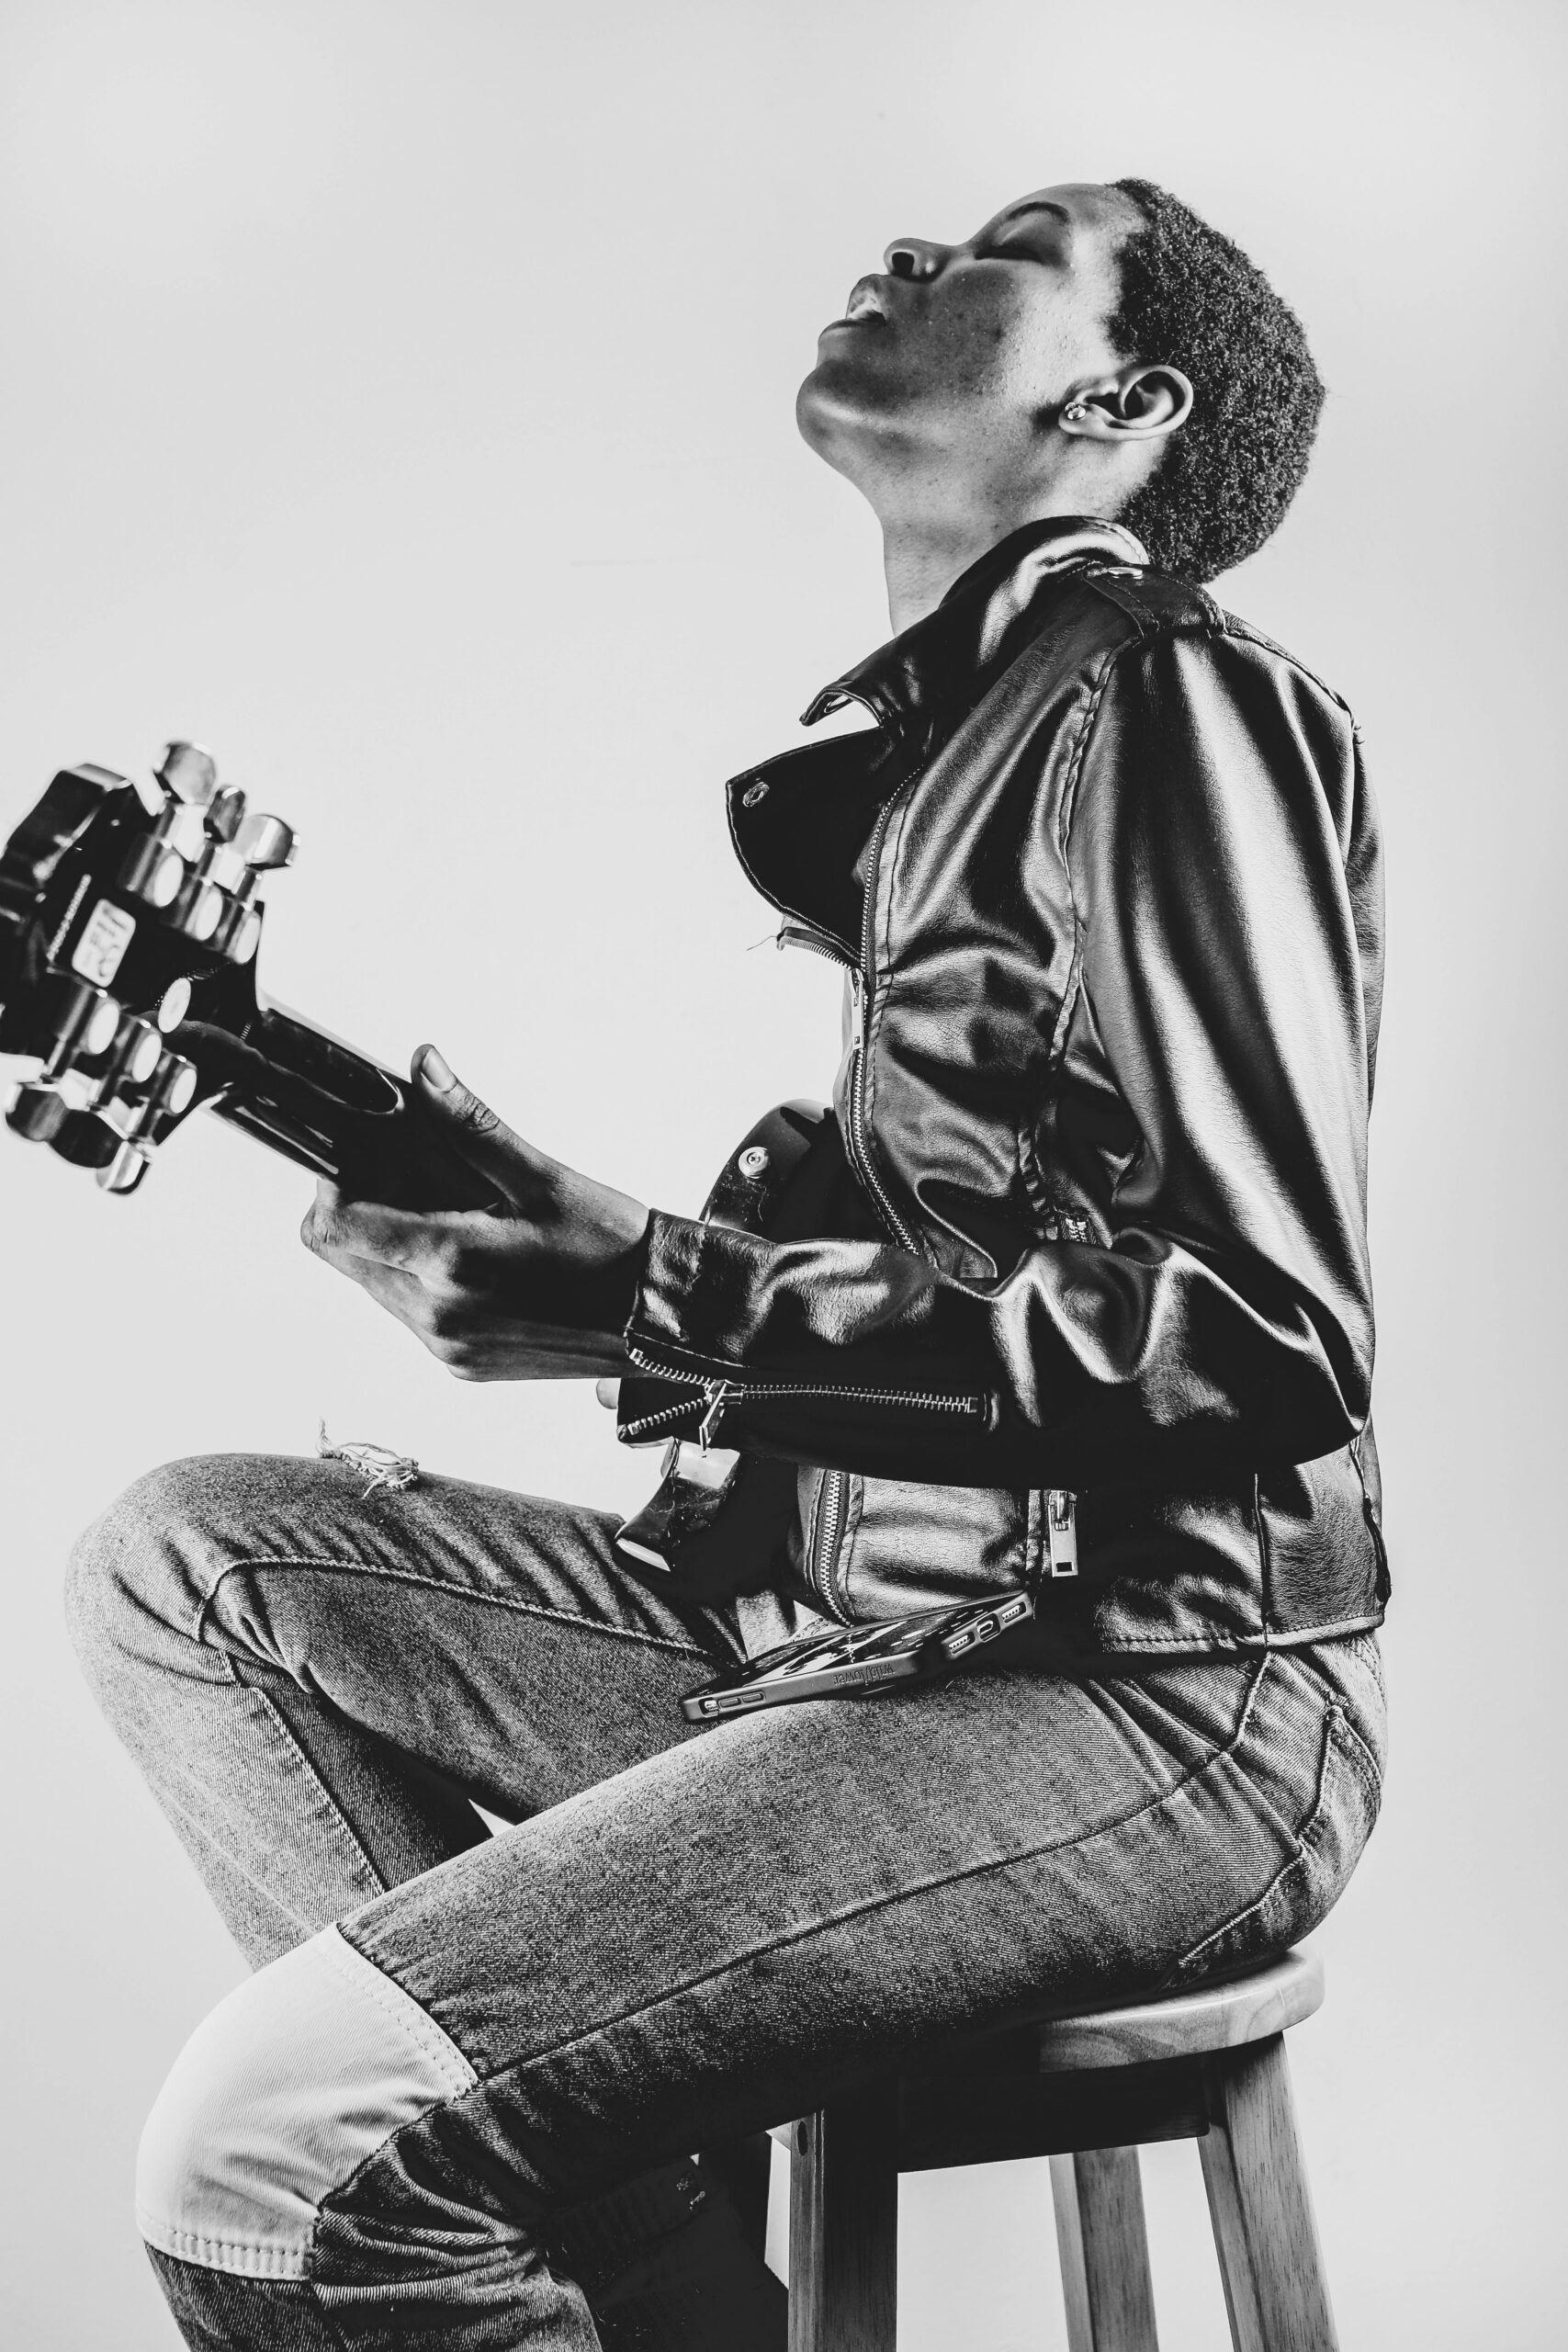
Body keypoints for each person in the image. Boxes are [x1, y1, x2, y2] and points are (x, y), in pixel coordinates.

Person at [67, 176, 1389, 2352]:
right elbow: (940, 1288)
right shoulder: (943, 759)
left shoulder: (1157, 692)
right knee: (184, 1559)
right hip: (855, 1640)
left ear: (1123, 397)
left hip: (1141, 1694)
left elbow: (1260, 1341)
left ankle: (489, 2215)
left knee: (275, 2145)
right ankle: (648, 2282)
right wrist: (578, 1246)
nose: (897, 244)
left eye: (1000, 243)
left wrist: (662, 1302)